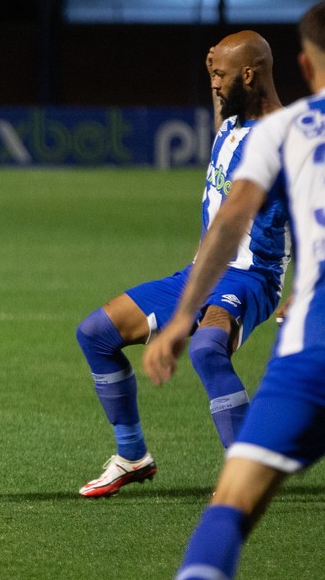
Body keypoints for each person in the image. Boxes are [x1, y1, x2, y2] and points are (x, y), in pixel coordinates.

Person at [144, 0, 325, 580]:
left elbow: (228, 225)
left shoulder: (284, 132)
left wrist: (179, 321)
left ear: (303, 61)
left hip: (313, 344)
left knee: (229, 507)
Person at [75, 31, 290, 498]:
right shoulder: (236, 122)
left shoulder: (284, 140)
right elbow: (225, 120)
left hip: (252, 276)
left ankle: (246, 476)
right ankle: (132, 455)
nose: (213, 84)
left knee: (207, 350)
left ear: (249, 76)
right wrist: (213, 72)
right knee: (95, 333)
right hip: (201, 271)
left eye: (220, 76)